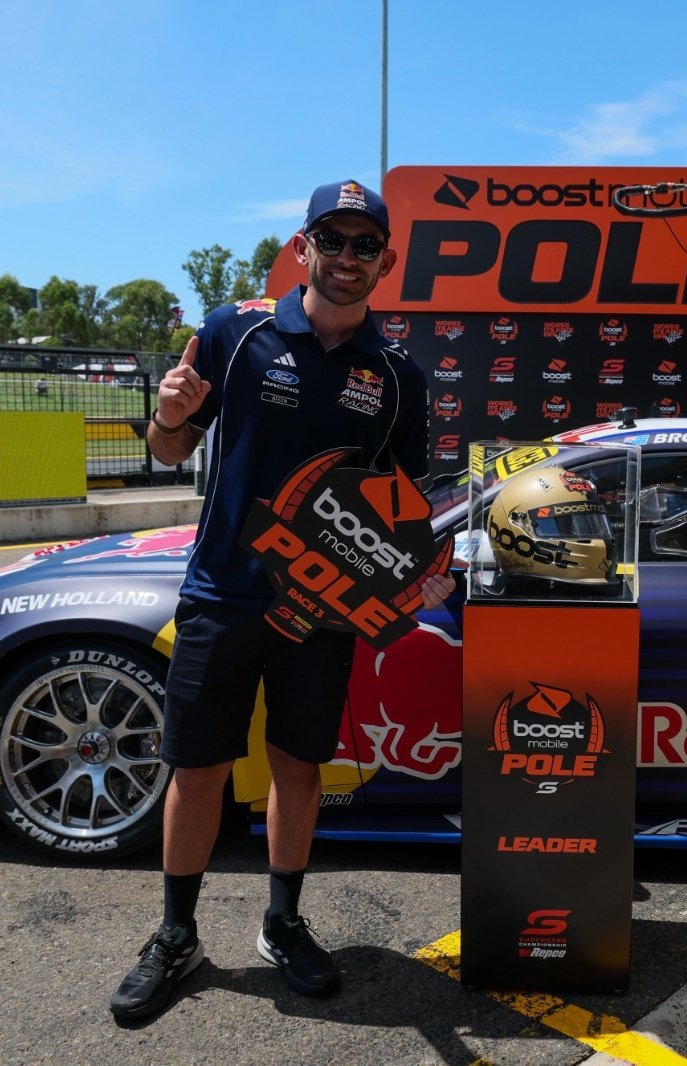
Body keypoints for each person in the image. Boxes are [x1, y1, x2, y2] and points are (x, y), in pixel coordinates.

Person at [109, 180, 454, 1022]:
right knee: (199, 770)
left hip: (321, 611)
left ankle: (282, 922)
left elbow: (405, 511)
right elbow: (169, 447)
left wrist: (420, 574)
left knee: (299, 768)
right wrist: (168, 418)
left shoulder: (399, 376)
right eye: (331, 240)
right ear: (303, 248)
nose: (346, 257)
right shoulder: (237, 332)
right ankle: (176, 934)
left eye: (364, 245)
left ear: (386, 262)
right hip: (223, 594)